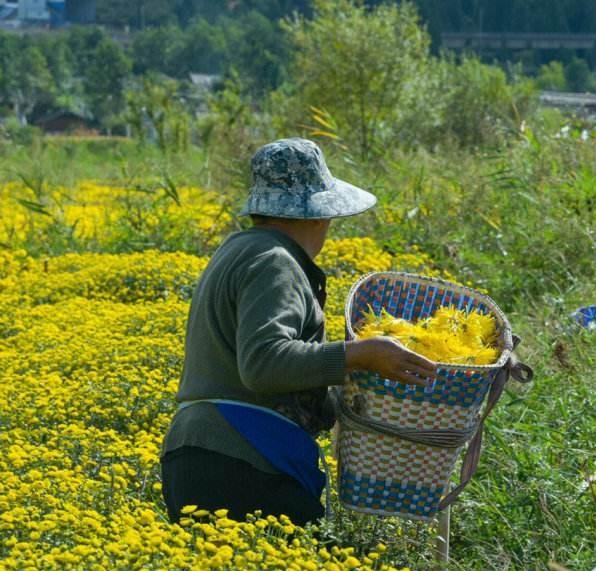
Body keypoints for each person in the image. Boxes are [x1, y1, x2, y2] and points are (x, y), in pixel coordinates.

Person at [161, 138, 436, 525]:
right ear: (318, 215)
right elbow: (263, 365)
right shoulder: (275, 262)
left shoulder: (237, 251)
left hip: (196, 455)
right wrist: (359, 355)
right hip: (245, 460)